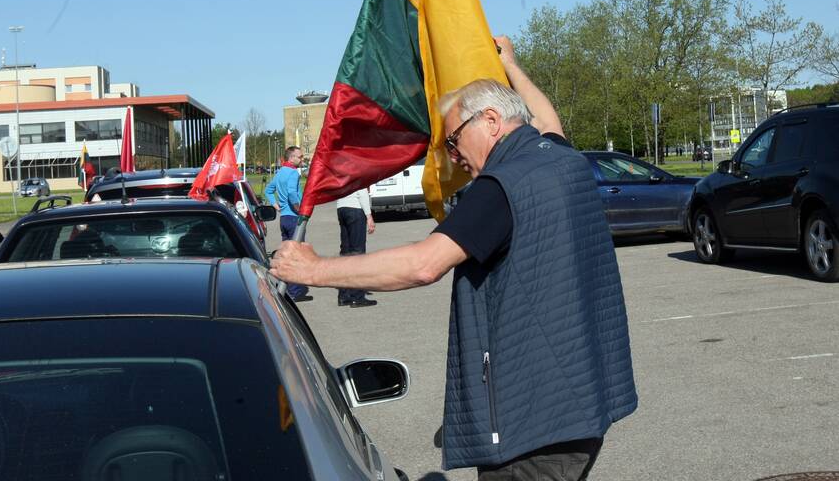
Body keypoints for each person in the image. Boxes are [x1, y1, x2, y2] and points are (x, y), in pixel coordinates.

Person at [271, 36, 637, 479]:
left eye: (454, 139)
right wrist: (512, 66)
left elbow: (422, 264)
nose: (454, 155)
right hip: (581, 407)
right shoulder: (562, 160)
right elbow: (547, 120)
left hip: (531, 431)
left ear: (491, 121)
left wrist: (313, 268)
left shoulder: (501, 186)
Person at [264, 146, 312, 302]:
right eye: (300, 157)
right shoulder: (292, 173)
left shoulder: (280, 173)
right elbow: (292, 193)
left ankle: (285, 286)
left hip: (284, 218)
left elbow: (268, 190)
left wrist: (276, 205)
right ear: (291, 158)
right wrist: (300, 210)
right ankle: (295, 291)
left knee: (287, 253)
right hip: (293, 217)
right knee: (297, 254)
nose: (302, 159)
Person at [335, 188, 377, 308]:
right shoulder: (357, 169)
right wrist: (369, 216)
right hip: (355, 208)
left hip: (341, 207)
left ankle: (344, 295)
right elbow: (362, 192)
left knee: (345, 253)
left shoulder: (341, 169)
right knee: (358, 253)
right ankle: (357, 296)